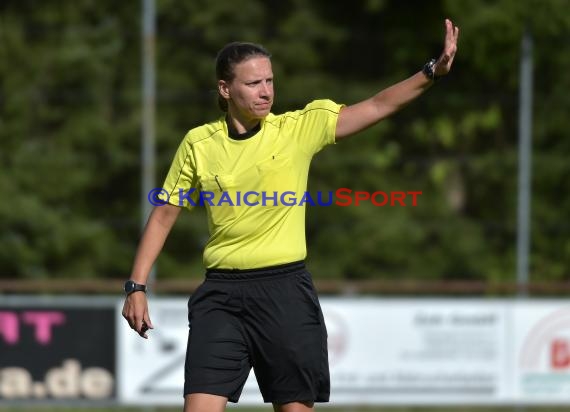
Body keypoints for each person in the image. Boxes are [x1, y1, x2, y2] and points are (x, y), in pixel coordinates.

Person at [122, 19, 459, 412]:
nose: (266, 91)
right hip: (221, 298)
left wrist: (431, 72)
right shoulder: (199, 143)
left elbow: (378, 105)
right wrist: (137, 285)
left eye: (269, 81)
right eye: (253, 83)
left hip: (285, 294)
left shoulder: (297, 129)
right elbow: (164, 214)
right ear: (224, 89)